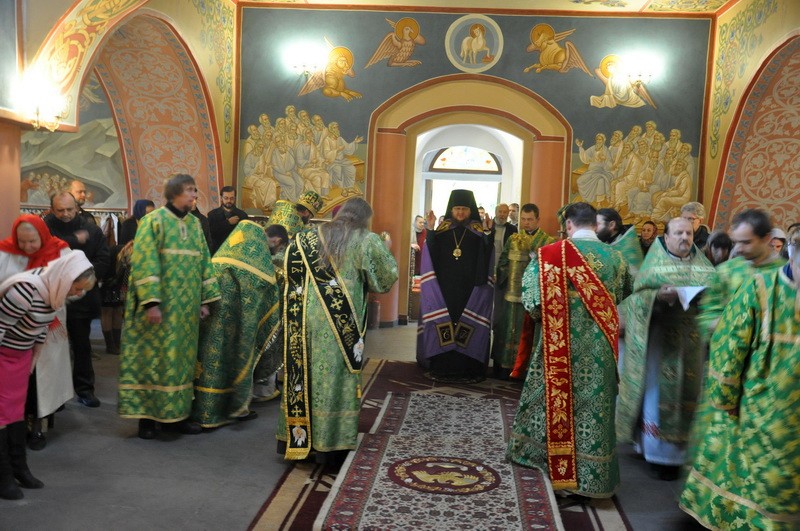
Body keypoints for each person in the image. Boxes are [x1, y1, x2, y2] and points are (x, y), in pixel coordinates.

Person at [507, 202, 633, 498]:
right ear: (596, 225)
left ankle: (545, 459)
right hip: (599, 349)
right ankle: (592, 477)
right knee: (594, 409)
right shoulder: (616, 257)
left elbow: (532, 301)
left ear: (568, 226)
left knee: (553, 402)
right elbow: (625, 293)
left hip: (556, 347)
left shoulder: (549, 255)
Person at [679, 231, 800, 529]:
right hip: (764, 406)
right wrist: (725, 398)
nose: (740, 248)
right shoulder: (759, 286)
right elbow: (728, 344)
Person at [278, 198, 397, 463]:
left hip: (305, 319)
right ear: (365, 217)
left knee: (304, 372)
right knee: (334, 378)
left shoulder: (308, 236)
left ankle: (295, 437)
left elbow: (286, 269)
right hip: (339, 324)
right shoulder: (367, 240)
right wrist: (386, 249)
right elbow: (385, 279)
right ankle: (329, 444)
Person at [118, 174, 221, 440]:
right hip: (158, 311)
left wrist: (204, 300)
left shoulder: (195, 226)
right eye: (190, 191)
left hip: (185, 312)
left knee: (181, 364)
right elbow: (144, 262)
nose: (194, 196)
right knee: (153, 362)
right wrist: (152, 302)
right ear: (175, 193)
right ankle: (148, 420)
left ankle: (176, 417)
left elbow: (204, 263)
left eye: (194, 191)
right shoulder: (153, 222)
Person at [616, 217, 717, 480]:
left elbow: (718, 295)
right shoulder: (654, 266)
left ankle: (682, 455)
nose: (685, 238)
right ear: (667, 237)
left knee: (690, 394)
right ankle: (658, 454)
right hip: (661, 341)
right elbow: (635, 299)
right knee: (656, 395)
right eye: (679, 233)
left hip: (692, 340)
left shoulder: (705, 267)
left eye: (689, 233)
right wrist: (656, 297)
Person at [0, 251, 95, 500]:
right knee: (1, 415)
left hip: (20, 358)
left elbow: (42, 326)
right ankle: (3, 476)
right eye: (78, 287)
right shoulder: (24, 290)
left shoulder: (54, 290)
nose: (79, 294)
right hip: (3, 357)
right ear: (67, 276)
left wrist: (32, 359)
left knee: (15, 413)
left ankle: (19, 468)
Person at [192, 221, 280, 428]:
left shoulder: (218, 260)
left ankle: (201, 409)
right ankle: (234, 408)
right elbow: (268, 298)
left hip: (207, 321)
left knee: (207, 360)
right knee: (234, 359)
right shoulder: (255, 272)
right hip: (235, 328)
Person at [0, 216, 71, 450]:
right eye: (22, 242)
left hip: (47, 325)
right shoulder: (5, 252)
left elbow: (75, 286)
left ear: (43, 234)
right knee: (16, 384)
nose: (28, 247)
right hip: (12, 328)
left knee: (42, 380)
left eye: (33, 241)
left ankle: (38, 425)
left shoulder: (61, 251)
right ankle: (14, 427)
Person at [417, 190, 494, 383]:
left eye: (464, 209)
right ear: (451, 210)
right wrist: (431, 229)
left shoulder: (478, 233)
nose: (460, 213)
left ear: (471, 211)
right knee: (446, 322)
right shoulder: (442, 231)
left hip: (470, 289)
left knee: (467, 323)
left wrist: (487, 234)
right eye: (457, 209)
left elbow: (487, 256)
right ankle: (442, 367)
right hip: (445, 289)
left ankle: (469, 369)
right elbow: (431, 253)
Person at [44, 192, 110, 408]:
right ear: (52, 209)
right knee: (52, 350)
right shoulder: (44, 228)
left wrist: (83, 280)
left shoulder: (91, 229)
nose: (65, 214)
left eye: (70, 209)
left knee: (82, 347)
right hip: (50, 299)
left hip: (82, 298)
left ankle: (84, 389)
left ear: (77, 208)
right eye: (60, 210)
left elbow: (103, 259)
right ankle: (55, 396)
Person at [490, 203, 553, 379]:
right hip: (512, 295)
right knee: (509, 329)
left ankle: (528, 371)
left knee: (531, 334)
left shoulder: (548, 242)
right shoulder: (513, 239)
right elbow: (503, 262)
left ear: (537, 220)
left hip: (535, 298)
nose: (526, 223)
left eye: (530, 220)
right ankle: (505, 368)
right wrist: (503, 277)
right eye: (523, 220)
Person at [699, 209, 786, 336]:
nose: (738, 249)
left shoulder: (786, 272)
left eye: (746, 242)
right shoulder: (726, 270)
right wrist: (716, 323)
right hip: (729, 345)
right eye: (736, 242)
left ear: (766, 238)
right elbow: (709, 311)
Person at [207, 186, 249, 254]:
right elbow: (211, 233)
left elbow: (246, 235)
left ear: (235, 198)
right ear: (221, 198)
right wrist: (227, 223)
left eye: (231, 198)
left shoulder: (242, 215)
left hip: (236, 253)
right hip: (218, 252)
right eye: (226, 198)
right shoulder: (212, 215)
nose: (229, 201)